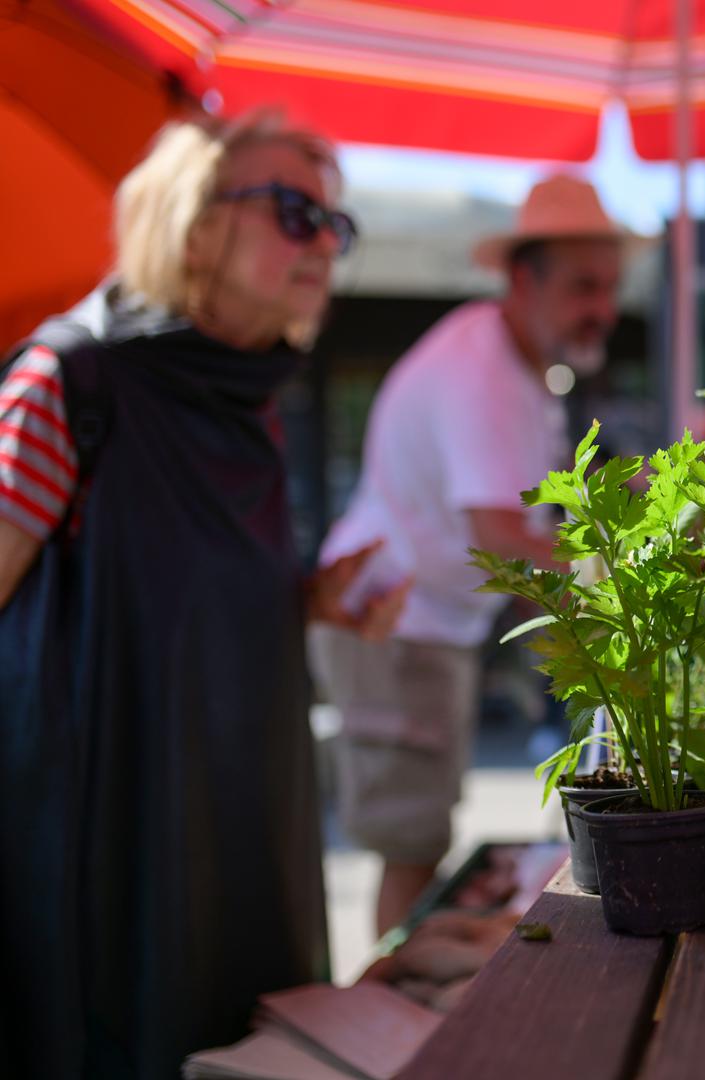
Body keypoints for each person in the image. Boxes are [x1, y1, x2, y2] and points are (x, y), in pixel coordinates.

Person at [0, 114, 402, 1078]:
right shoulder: (71, 379)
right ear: (191, 223)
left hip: (246, 832)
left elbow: (165, 586)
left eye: (335, 227)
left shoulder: (247, 398)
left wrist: (304, 603)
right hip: (111, 858)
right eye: (295, 212)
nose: (321, 245)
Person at [311, 174, 626, 936]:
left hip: (421, 623)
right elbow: (505, 544)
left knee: (423, 843)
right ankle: (391, 1026)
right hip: (389, 621)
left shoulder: (517, 367)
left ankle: (400, 1006)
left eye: (611, 288)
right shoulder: (484, 372)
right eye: (584, 286)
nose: (603, 310)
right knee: (411, 847)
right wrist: (617, 617)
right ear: (523, 279)